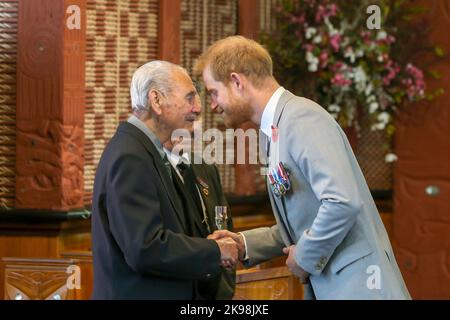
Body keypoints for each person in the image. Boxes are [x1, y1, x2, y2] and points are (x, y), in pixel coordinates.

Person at [194, 36, 411, 299]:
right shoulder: (274, 129)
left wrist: (304, 257)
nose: (213, 105)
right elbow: (304, 220)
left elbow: (342, 202)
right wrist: (243, 244)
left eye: (213, 92)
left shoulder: (301, 118)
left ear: (237, 81)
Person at [91, 60, 238, 299]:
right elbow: (145, 247)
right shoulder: (131, 156)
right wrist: (214, 251)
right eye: (190, 98)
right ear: (156, 100)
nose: (199, 108)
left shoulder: (145, 152)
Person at [163, 136, 236, 300]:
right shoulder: (154, 170)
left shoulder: (205, 167)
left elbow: (222, 218)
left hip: (216, 290)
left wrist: (226, 286)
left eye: (193, 119)